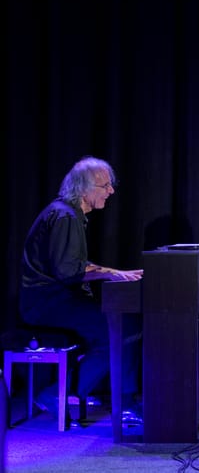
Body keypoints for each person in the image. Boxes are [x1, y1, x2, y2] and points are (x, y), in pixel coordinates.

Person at [19, 156, 143, 421]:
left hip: (56, 298)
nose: (111, 191)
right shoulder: (65, 216)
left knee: (125, 324)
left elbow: (75, 263)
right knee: (117, 331)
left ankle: (123, 398)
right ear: (83, 188)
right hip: (45, 303)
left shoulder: (70, 213)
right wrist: (112, 276)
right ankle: (60, 393)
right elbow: (67, 271)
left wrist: (116, 273)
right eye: (105, 186)